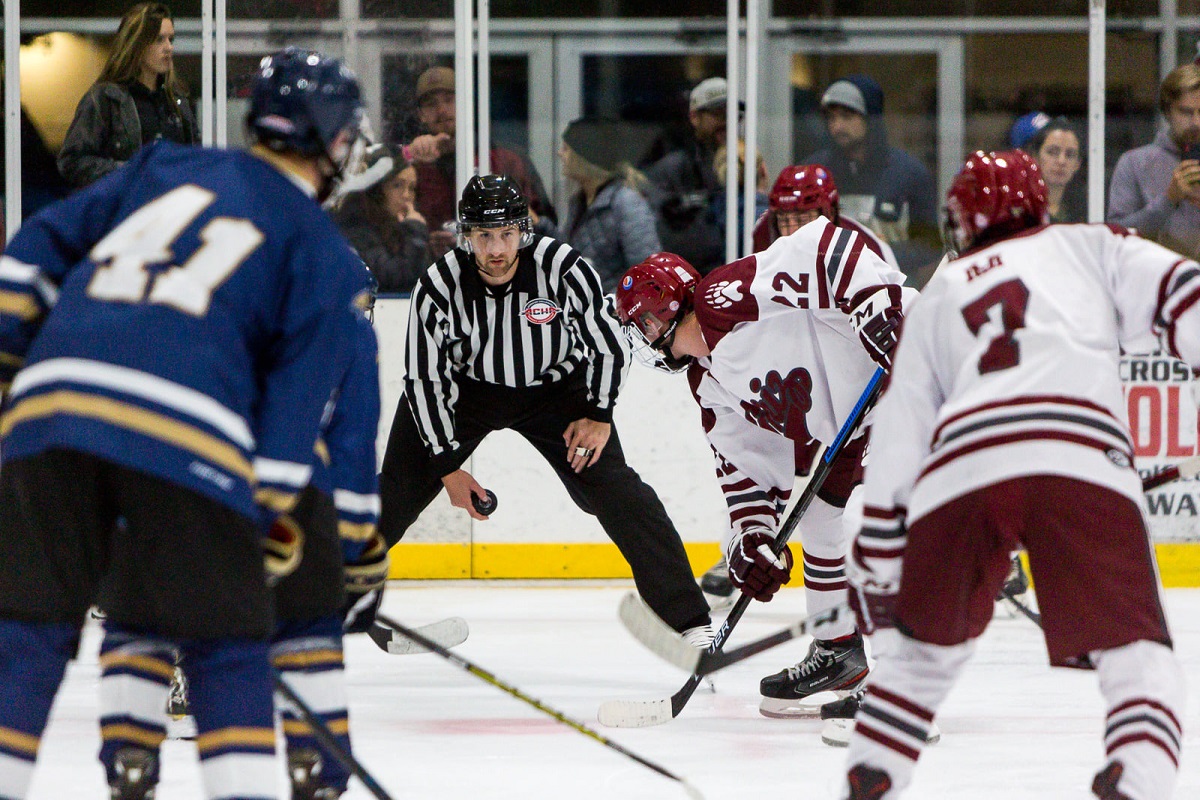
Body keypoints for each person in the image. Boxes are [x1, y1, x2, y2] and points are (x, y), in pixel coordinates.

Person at [0, 46, 370, 800]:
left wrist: (16, 378)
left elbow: (28, 253)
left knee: (24, 634)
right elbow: (292, 423)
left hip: (51, 411)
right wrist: (263, 528)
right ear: (334, 141)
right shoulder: (323, 252)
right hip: (190, 438)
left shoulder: (162, 165)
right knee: (225, 646)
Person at [840, 150, 1188, 800]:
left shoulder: (941, 288)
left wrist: (884, 555)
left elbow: (898, 435)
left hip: (960, 476)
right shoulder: (1090, 244)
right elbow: (1185, 293)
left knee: (916, 666)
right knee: (1139, 662)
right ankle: (1136, 781)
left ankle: (872, 778)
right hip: (1077, 457)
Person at [377, 174, 714, 645]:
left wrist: (597, 415)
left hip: (557, 396)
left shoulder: (562, 266)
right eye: (484, 236)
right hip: (465, 394)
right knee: (392, 495)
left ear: (523, 229)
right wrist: (447, 468)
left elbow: (607, 347)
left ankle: (690, 624)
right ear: (466, 235)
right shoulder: (438, 285)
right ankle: (324, 601)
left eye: (507, 233)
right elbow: (425, 381)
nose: (496, 248)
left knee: (618, 494)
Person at [614, 207, 915, 717]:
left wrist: (876, 309)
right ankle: (837, 649)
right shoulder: (707, 384)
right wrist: (752, 541)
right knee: (820, 518)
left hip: (906, 371)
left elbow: (824, 247)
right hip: (858, 419)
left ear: (659, 314)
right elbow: (750, 474)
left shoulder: (720, 298)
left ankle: (902, 684)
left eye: (638, 323)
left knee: (876, 517)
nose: (640, 337)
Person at [696, 163, 900, 605]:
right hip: (796, 378)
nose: (790, 229)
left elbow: (891, 307)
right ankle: (752, 543)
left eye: (802, 218)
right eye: (783, 219)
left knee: (849, 502)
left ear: (831, 210)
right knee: (763, 464)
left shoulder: (864, 245)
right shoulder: (758, 238)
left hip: (853, 385)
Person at [404, 65, 556, 257]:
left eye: (450, 100)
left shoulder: (506, 160)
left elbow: (545, 229)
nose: (441, 110)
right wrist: (426, 246)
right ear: (421, 115)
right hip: (434, 276)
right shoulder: (412, 167)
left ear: (466, 103)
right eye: (431, 104)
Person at [806, 74, 940, 286]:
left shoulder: (909, 174)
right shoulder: (814, 174)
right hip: (828, 298)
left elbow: (930, 247)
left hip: (892, 296)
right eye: (831, 118)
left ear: (872, 119)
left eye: (847, 116)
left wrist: (884, 249)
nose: (837, 126)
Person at [58, 2, 199, 188]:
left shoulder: (176, 99)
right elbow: (72, 161)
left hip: (172, 207)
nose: (168, 48)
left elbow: (196, 157)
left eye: (170, 39)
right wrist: (129, 171)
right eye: (159, 40)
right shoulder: (106, 98)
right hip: (126, 207)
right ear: (137, 45)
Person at [559, 117, 662, 292]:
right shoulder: (579, 202)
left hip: (614, 313)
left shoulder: (626, 202)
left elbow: (647, 272)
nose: (560, 154)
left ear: (585, 157)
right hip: (587, 309)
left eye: (566, 149)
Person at [1108, 62, 1200, 259]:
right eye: (1186, 112)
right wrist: (1169, 199)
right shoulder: (1134, 164)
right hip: (1156, 284)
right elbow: (1116, 237)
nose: (1196, 122)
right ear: (1167, 112)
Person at [644, 76, 732, 274]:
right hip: (690, 278)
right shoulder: (673, 165)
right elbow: (667, 232)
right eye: (719, 114)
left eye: (734, 114)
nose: (727, 122)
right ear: (694, 117)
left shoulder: (745, 161)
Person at [332, 142, 431, 293]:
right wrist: (416, 236)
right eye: (397, 185)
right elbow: (393, 279)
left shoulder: (399, 227)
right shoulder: (355, 227)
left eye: (411, 188)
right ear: (377, 190)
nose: (407, 195)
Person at [1025, 116, 1084, 224]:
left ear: (1077, 164)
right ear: (1035, 157)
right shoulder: (1021, 211)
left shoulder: (1083, 212)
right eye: (1052, 152)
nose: (1061, 161)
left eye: (1070, 155)